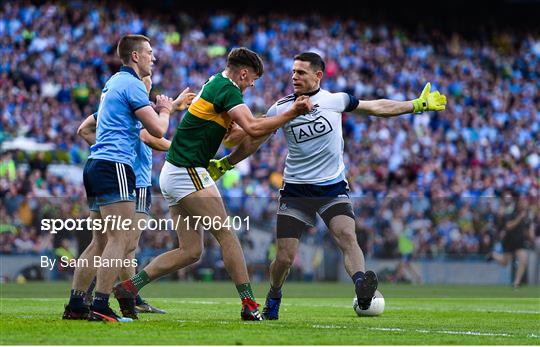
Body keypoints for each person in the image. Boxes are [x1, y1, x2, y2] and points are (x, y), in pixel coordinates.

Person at [208, 52, 447, 319]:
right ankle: (274, 295)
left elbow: (377, 108)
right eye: (293, 72)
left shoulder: (336, 100)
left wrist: (416, 105)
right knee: (285, 258)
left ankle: (361, 287)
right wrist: (227, 163)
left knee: (347, 236)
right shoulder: (282, 107)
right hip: (296, 190)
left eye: (301, 72)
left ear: (318, 75)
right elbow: (255, 139)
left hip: (332, 187)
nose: (294, 76)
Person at [113, 47, 313, 321]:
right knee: (227, 234)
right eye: (252, 78)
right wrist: (291, 113)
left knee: (191, 251)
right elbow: (252, 129)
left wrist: (268, 122)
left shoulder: (214, 82)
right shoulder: (228, 89)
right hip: (187, 171)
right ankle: (249, 304)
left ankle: (128, 288)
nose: (252, 84)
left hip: (174, 171)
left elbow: (232, 138)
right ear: (243, 73)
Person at [62, 34, 185, 322]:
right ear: (135, 56)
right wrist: (167, 109)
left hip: (95, 165)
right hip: (115, 166)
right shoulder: (131, 84)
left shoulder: (113, 83)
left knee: (100, 241)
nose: (153, 58)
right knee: (121, 238)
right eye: (150, 52)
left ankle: (77, 304)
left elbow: (89, 127)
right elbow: (155, 130)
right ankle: (101, 304)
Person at [489, 192, 534, 288]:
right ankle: (493, 255)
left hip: (519, 241)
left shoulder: (527, 216)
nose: (525, 204)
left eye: (526, 202)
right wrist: (519, 218)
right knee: (505, 262)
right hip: (509, 240)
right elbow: (508, 226)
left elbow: (528, 229)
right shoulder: (511, 212)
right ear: (519, 204)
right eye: (523, 202)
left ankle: (516, 283)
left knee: (524, 259)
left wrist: (530, 237)